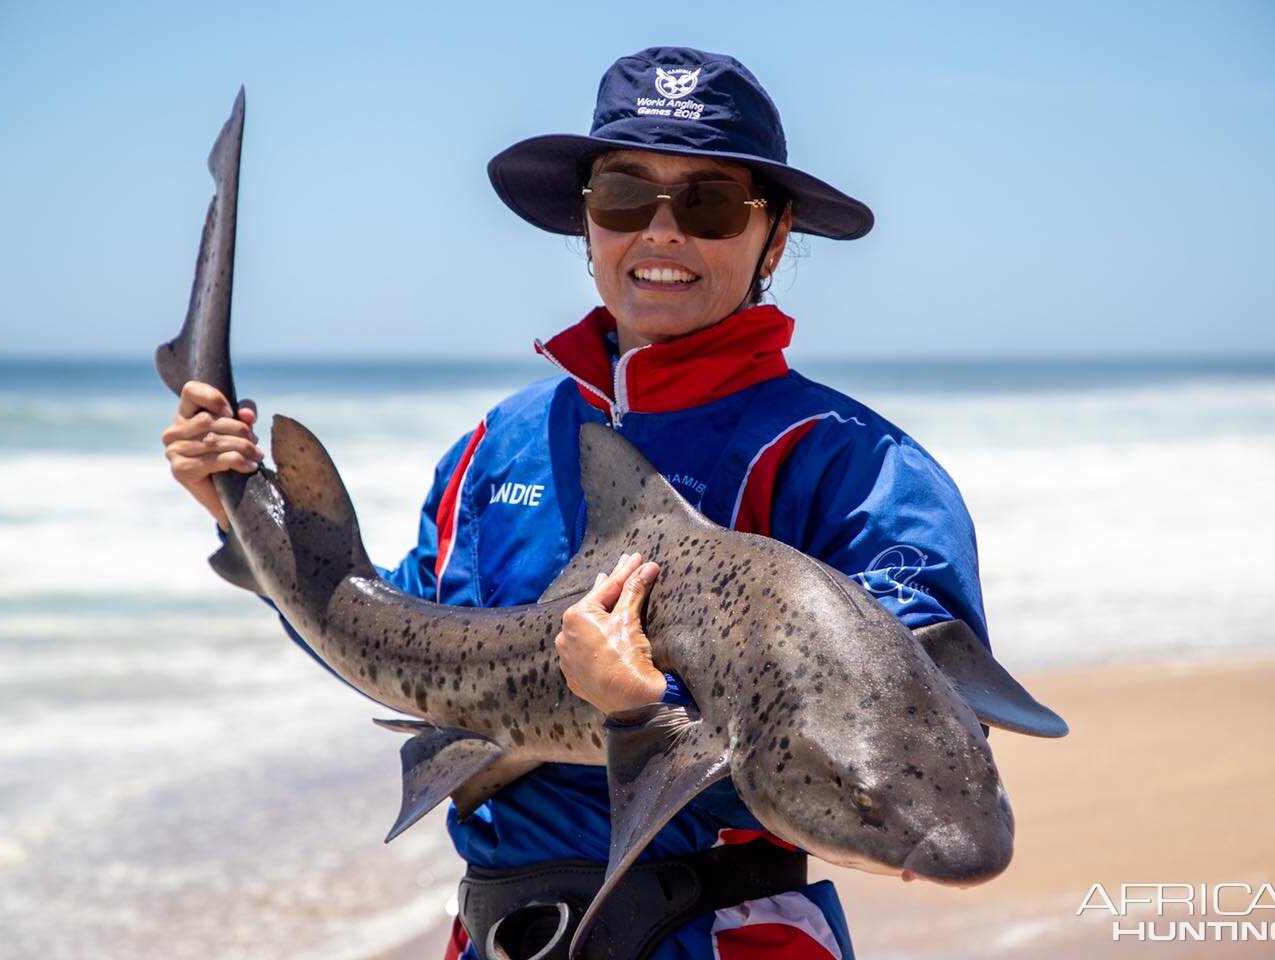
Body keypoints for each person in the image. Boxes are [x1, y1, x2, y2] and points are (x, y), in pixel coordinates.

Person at [161, 46, 992, 960]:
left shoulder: (856, 464)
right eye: (625, 197)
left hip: (722, 935)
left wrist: (646, 710)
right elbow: (398, 651)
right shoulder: (499, 444)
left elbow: (924, 749)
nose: (663, 233)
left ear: (777, 234)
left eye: (710, 203)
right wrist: (233, 508)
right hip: (494, 937)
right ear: (586, 225)